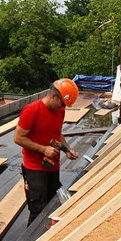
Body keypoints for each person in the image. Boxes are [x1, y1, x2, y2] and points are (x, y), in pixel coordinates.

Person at [14, 78, 79, 226]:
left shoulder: (60, 111)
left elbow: (57, 134)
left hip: (52, 167)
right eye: (62, 103)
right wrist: (43, 149)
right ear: (54, 96)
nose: (63, 107)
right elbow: (18, 138)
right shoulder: (32, 110)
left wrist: (67, 149)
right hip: (35, 169)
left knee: (52, 205)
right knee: (37, 210)